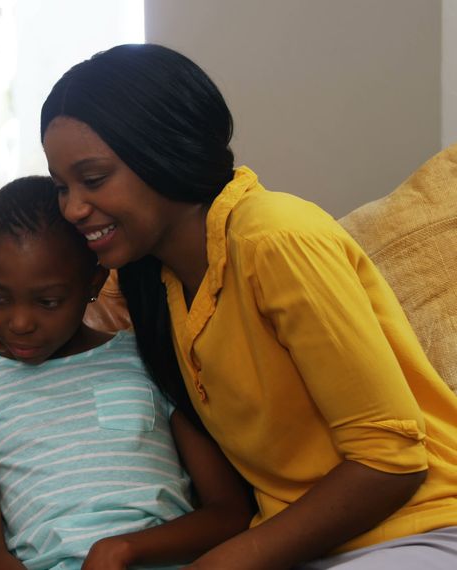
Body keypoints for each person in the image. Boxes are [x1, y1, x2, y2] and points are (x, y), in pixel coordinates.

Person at [40, 44, 457, 568]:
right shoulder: (152, 278)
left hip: (421, 530)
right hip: (307, 547)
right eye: (61, 187)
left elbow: (391, 460)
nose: (74, 208)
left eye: (94, 179)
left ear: (164, 150)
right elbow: (54, 321)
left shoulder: (274, 236)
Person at [0, 176, 253, 570]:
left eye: (47, 301)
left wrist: (122, 548)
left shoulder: (150, 356)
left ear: (94, 283)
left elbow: (230, 511)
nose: (18, 322)